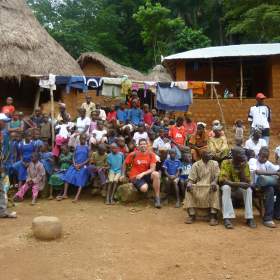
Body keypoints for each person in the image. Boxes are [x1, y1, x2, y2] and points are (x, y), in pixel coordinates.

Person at [219, 147, 256, 229]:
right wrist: (238, 184)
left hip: (239, 190)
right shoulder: (226, 163)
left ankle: (249, 218)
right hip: (230, 189)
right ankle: (227, 218)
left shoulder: (245, 164)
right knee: (225, 188)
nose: (244, 156)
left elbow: (246, 181)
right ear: (234, 156)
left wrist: (242, 169)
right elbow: (223, 180)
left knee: (248, 190)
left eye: (244, 154)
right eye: (241, 154)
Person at [184, 150, 220, 226]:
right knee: (188, 189)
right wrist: (189, 183)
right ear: (202, 155)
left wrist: (214, 182)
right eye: (209, 153)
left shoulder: (215, 163)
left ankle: (213, 216)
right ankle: (191, 215)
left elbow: (217, 176)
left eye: (211, 153)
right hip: (199, 186)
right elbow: (191, 178)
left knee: (216, 188)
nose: (211, 155)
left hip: (210, 185)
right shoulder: (196, 165)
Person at [122, 138, 161, 208]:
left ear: (147, 145)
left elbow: (152, 169)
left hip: (145, 174)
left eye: (144, 144)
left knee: (156, 174)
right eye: (141, 144)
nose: (143, 146)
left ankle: (157, 198)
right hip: (135, 176)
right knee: (144, 189)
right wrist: (123, 174)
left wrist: (143, 174)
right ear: (138, 146)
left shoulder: (151, 154)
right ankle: (144, 185)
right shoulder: (133, 154)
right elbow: (125, 163)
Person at [251, 147, 280, 228]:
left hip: (264, 184)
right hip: (254, 185)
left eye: (266, 157)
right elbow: (258, 172)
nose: (263, 159)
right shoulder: (253, 160)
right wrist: (275, 173)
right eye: (262, 156)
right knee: (270, 189)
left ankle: (277, 213)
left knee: (277, 188)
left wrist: (278, 172)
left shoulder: (266, 162)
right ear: (258, 154)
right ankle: (267, 218)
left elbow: (277, 169)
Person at [58, 134, 90, 202]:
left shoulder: (87, 148)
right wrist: (75, 164)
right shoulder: (77, 147)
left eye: (84, 139)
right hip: (75, 165)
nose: (83, 140)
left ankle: (76, 197)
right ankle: (65, 194)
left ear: (86, 139)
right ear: (79, 139)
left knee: (81, 179)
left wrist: (81, 165)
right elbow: (73, 156)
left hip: (83, 166)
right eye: (81, 139)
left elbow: (88, 159)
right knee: (68, 176)